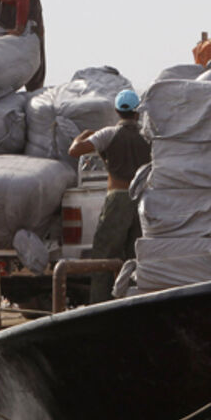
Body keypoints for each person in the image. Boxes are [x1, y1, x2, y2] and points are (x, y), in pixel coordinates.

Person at [68, 89, 152, 303]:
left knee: (104, 257)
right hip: (143, 201)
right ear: (137, 112)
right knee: (136, 258)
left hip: (118, 200)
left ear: (117, 111)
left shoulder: (108, 134)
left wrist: (84, 134)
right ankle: (133, 303)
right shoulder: (147, 136)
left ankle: (99, 304)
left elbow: (74, 151)